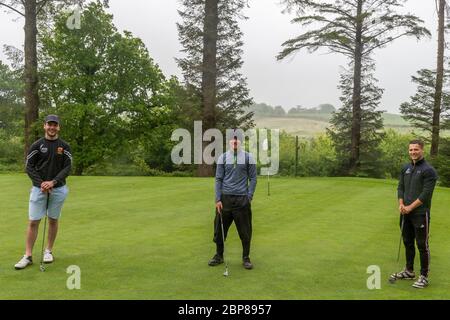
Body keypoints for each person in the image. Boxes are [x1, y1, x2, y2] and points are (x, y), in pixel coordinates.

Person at [15, 115, 72, 270]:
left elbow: (67, 168)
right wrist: (42, 184)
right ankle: (27, 255)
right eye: (49, 125)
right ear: (44, 126)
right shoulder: (37, 145)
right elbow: (29, 166)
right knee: (33, 221)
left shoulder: (64, 146)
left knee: (53, 220)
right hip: (38, 189)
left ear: (58, 127)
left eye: (55, 125)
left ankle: (48, 251)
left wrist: (53, 182)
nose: (52, 128)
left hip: (58, 189)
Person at [390, 139, 438, 288]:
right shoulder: (405, 168)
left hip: (420, 214)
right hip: (405, 212)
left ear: (422, 150)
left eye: (416, 149)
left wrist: (410, 207)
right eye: (411, 150)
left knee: (422, 245)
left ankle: (424, 276)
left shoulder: (429, 170)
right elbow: (401, 188)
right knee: (407, 242)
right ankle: (409, 271)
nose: (413, 152)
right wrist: (401, 204)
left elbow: (425, 195)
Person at [208, 134, 257, 269]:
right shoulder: (222, 158)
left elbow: (253, 178)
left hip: (242, 200)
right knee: (219, 229)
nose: (235, 141)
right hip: (225, 200)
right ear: (229, 141)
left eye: (237, 139)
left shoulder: (248, 157)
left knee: (245, 231)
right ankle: (219, 255)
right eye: (233, 139)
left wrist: (249, 196)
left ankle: (246, 258)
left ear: (240, 142)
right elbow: (218, 179)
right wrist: (218, 199)